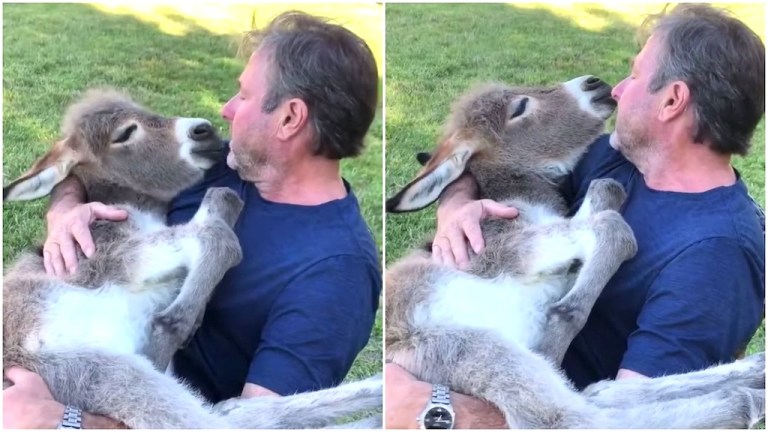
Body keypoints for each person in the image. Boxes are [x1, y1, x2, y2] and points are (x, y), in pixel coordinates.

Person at [385, 4, 765, 428]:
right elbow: (492, 163)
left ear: (673, 100)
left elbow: (632, 417)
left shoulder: (714, 258)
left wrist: (433, 408)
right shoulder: (616, 159)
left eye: (635, 76)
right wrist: (456, 206)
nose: (618, 89)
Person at [4, 11, 382, 429]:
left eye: (243, 96)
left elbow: (257, 422)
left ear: (290, 118)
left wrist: (62, 420)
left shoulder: (335, 273)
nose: (225, 109)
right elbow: (94, 161)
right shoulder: (225, 163)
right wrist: (65, 210)